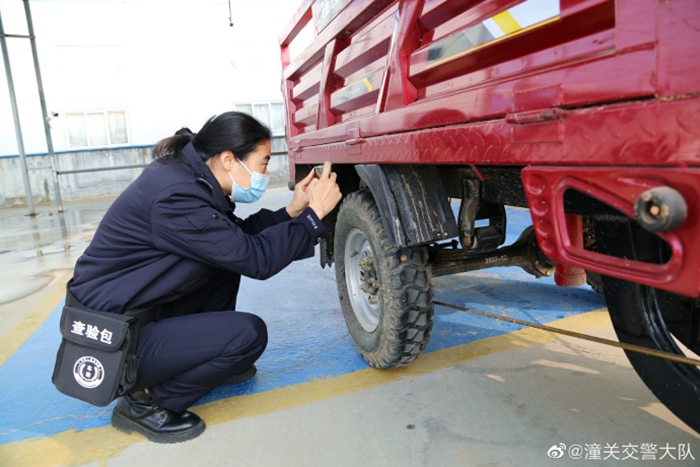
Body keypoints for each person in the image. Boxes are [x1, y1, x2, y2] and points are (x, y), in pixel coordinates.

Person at [64, 111, 342, 443]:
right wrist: (314, 217)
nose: (266, 173)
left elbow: (235, 242)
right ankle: (145, 402)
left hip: (137, 313)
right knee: (249, 335)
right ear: (229, 159)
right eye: (264, 163)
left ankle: (207, 356)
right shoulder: (176, 196)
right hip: (114, 337)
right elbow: (256, 259)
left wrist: (293, 211)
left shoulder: (189, 179)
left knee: (223, 266)